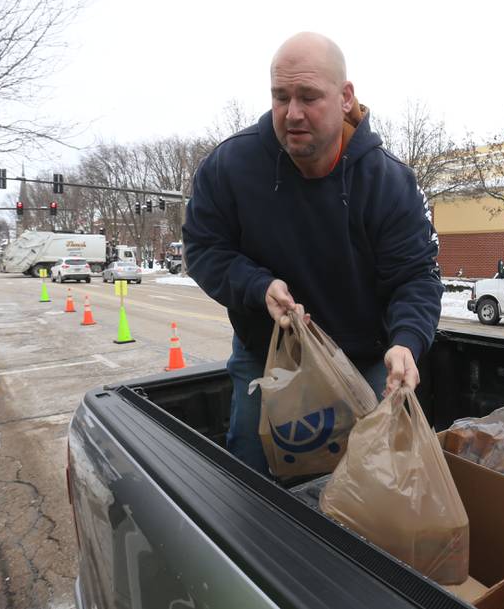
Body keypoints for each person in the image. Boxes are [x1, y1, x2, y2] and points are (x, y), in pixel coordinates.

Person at [182, 32, 443, 475]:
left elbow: (415, 276)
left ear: (345, 98)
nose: (293, 113)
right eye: (281, 97)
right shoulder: (231, 166)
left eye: (309, 97)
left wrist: (407, 343)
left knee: (380, 475)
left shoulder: (388, 182)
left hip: (364, 356)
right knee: (251, 464)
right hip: (267, 354)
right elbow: (203, 248)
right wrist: (257, 285)